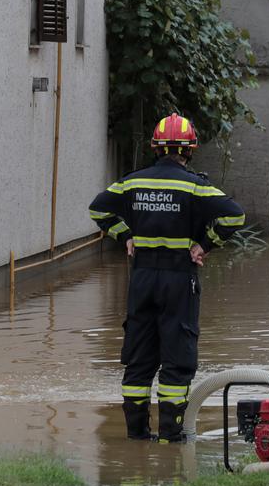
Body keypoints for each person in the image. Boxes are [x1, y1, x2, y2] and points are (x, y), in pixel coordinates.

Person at [89, 113, 245, 442]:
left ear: (155, 148)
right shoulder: (195, 186)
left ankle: (136, 437)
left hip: (142, 279)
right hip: (179, 280)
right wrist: (205, 245)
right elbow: (235, 215)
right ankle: (171, 438)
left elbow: (98, 210)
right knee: (177, 356)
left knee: (139, 358)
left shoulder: (132, 183)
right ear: (190, 149)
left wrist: (125, 237)